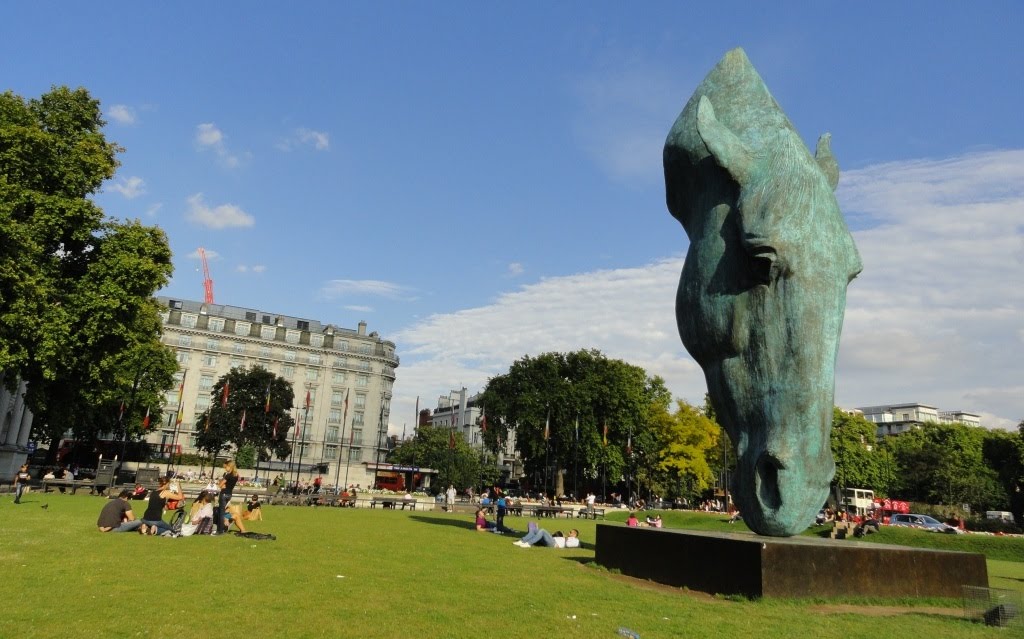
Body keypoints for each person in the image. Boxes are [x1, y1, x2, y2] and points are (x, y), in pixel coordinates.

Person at [216, 460, 239, 534]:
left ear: (230, 466)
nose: (225, 469)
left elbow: (220, 485)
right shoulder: (236, 475)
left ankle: (220, 530)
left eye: (226, 467)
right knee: (225, 510)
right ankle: (227, 521)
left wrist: (220, 483)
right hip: (229, 494)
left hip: (224, 494)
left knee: (221, 512)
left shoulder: (228, 475)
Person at [514, 526, 581, 548]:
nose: (569, 532)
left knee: (542, 530)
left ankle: (528, 543)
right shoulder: (570, 538)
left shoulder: (575, 540)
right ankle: (522, 541)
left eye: (570, 532)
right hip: (552, 539)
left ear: (575, 535)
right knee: (535, 530)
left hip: (554, 543)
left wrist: (566, 538)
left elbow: (568, 545)